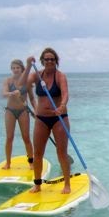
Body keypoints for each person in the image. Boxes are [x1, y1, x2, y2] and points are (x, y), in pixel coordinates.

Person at [24, 48, 71, 194]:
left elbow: (65, 93)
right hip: (41, 119)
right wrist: (27, 66)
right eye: (46, 59)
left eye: (52, 59)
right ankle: (37, 184)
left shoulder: (60, 76)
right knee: (37, 153)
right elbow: (22, 85)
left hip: (59, 118)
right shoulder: (36, 75)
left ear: (56, 61)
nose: (49, 61)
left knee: (61, 152)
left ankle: (67, 184)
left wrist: (62, 106)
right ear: (42, 61)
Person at [1, 59, 36, 169]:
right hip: (10, 111)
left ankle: (31, 162)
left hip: (23, 111)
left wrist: (36, 111)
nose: (15, 70)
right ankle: (8, 163)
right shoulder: (8, 80)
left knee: (26, 138)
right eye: (13, 68)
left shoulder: (27, 82)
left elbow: (31, 98)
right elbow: (3, 94)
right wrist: (12, 93)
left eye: (17, 68)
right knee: (9, 138)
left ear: (22, 69)